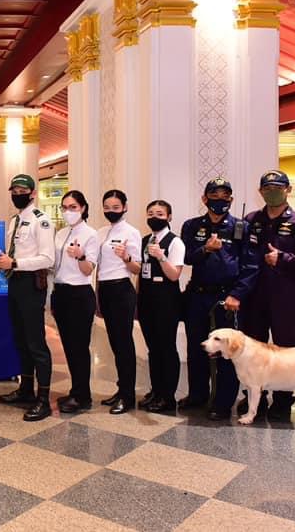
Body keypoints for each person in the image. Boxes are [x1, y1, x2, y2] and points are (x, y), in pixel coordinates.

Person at [180, 177, 257, 420]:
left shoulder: (241, 227)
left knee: (226, 352)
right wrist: (206, 249)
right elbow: (186, 257)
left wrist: (237, 294)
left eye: (225, 197)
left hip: (227, 297)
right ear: (205, 199)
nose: (220, 201)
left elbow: (251, 266)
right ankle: (198, 395)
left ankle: (223, 403)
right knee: (197, 348)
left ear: (231, 200)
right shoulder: (192, 226)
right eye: (214, 196)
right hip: (198, 295)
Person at [242, 170, 295, 421]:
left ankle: (283, 401)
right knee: (252, 351)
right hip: (254, 297)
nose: (272, 192)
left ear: (288, 190)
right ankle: (254, 398)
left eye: (278, 188)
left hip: (286, 297)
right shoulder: (250, 220)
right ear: (260, 191)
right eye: (268, 188)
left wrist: (283, 258)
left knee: (286, 352)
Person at [0, 174, 56, 422]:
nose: (17, 194)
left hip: (32, 283)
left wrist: (15, 263)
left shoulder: (41, 221)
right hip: (15, 283)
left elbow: (48, 258)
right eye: (14, 190)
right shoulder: (14, 220)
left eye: (22, 191)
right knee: (21, 339)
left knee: (36, 342)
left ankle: (43, 399)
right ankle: (26, 389)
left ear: (32, 193)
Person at [50, 190, 98, 414]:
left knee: (79, 347)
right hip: (61, 292)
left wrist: (81, 255)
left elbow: (88, 270)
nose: (68, 212)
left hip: (80, 294)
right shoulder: (60, 233)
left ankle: (83, 396)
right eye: (65, 207)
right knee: (68, 346)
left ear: (83, 208)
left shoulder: (91, 234)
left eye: (73, 207)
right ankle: (75, 390)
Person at [94, 189, 142, 415]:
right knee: (114, 343)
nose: (110, 211)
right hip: (104, 289)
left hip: (122, 289)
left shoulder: (131, 232)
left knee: (124, 344)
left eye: (115, 207)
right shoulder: (101, 232)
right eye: (107, 207)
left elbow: (137, 268)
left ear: (124, 207)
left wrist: (126, 257)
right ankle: (121, 389)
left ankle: (128, 395)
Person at [136, 200, 185, 413]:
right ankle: (156, 391)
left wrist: (161, 256)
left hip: (166, 300)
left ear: (169, 217)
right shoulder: (145, 240)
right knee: (153, 348)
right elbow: (141, 271)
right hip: (147, 299)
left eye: (159, 213)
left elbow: (174, 275)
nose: (154, 217)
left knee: (166, 347)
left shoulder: (175, 242)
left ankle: (168, 396)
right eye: (150, 213)